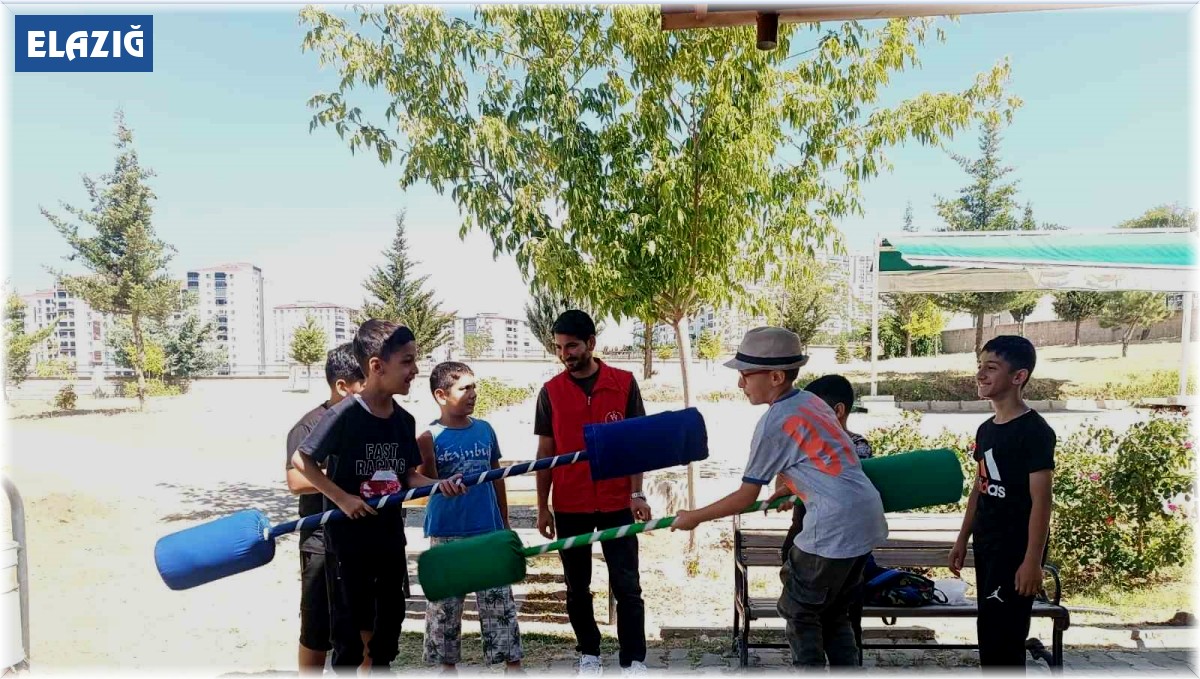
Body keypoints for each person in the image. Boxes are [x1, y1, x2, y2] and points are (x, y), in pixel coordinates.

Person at [671, 326, 887, 668]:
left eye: (744, 375)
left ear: (774, 376)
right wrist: (793, 487)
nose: (740, 384)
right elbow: (831, 459)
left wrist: (694, 516)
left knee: (800, 613)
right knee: (834, 614)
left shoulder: (776, 420)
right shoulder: (811, 402)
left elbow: (745, 497)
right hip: (865, 518)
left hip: (832, 527)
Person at [291, 320, 467, 673]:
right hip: (346, 546)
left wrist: (437, 485)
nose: (415, 370)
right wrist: (341, 498)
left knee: (388, 628)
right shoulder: (346, 414)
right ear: (376, 366)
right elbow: (302, 460)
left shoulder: (403, 420)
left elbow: (408, 476)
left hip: (388, 541)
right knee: (347, 637)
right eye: (407, 361)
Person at [534, 310, 650, 675]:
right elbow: (545, 454)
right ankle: (589, 653)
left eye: (571, 345)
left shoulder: (624, 383)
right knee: (577, 587)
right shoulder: (550, 392)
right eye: (558, 347)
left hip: (617, 503)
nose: (565, 353)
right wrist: (543, 506)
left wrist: (637, 494)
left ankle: (633, 660)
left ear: (591, 344)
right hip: (571, 506)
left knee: (628, 585)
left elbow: (636, 445)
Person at [949, 335, 1056, 671]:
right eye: (979, 367)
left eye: (991, 368)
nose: (981, 374)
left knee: (1008, 638)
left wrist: (1032, 561)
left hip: (1016, 550)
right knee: (990, 632)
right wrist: (962, 539)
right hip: (988, 544)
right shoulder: (986, 429)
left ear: (1018, 376)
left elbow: (1042, 502)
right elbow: (980, 488)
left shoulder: (1034, 431)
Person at [418, 361, 523, 672]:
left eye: (474, 386)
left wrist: (504, 522)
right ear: (441, 395)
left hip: (487, 529)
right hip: (447, 530)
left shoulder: (485, 430)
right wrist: (440, 485)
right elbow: (424, 485)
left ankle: (512, 665)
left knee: (499, 601)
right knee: (445, 606)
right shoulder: (428, 436)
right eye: (464, 388)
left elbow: (497, 476)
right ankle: (446, 667)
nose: (473, 393)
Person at [776, 374, 874, 663]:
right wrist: (787, 488)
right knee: (830, 617)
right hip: (807, 539)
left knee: (805, 616)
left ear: (838, 411)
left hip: (831, 543)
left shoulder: (855, 446)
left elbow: (841, 494)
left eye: (814, 409)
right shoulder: (806, 443)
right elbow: (785, 480)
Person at [285, 343, 365, 674]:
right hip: (320, 541)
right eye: (364, 383)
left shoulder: (370, 419)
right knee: (317, 628)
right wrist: (339, 480)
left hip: (363, 538)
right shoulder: (308, 426)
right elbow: (295, 480)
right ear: (342, 386)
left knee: (363, 625)